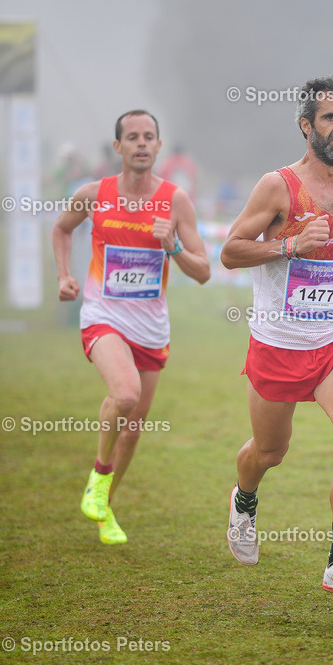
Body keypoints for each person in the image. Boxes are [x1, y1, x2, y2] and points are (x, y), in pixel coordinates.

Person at [220, 75, 333, 604]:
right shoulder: (277, 186)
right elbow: (231, 251)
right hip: (278, 341)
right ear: (307, 126)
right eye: (330, 118)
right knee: (270, 450)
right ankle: (245, 500)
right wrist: (289, 244)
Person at [53, 110, 211, 544]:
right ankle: (99, 475)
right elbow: (62, 229)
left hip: (151, 328)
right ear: (118, 147)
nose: (141, 143)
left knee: (134, 426)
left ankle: (104, 505)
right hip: (103, 316)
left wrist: (173, 245)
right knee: (125, 395)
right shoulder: (93, 193)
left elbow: (203, 272)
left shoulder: (176, 200)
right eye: (132, 137)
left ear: (159, 146)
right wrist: (64, 275)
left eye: (149, 137)